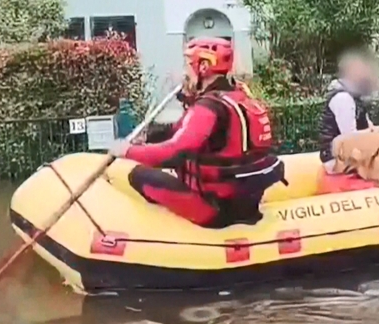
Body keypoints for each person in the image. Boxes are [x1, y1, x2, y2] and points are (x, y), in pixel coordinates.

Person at [109, 38, 285, 228]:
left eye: (188, 65)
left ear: (203, 67)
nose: (185, 72)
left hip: (215, 210)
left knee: (139, 175)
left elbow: (173, 154)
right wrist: (148, 137)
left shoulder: (208, 107)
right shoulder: (239, 96)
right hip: (244, 204)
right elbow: (182, 130)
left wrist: (126, 151)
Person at [318, 50, 378, 174]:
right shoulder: (343, 98)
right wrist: (374, 134)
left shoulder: (355, 97)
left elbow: (367, 124)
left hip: (347, 154)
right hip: (336, 159)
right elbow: (349, 137)